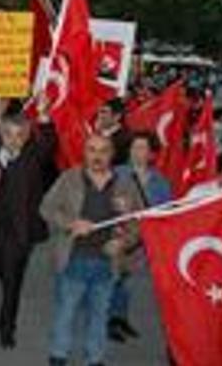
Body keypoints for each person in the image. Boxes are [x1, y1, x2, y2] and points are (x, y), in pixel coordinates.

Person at [41, 134, 143, 366]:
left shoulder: (126, 184)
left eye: (103, 150)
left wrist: (124, 242)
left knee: (100, 315)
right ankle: (58, 355)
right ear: (84, 152)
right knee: (66, 312)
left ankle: (94, 359)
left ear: (112, 154)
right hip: (73, 258)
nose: (97, 156)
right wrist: (71, 224)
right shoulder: (69, 178)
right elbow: (46, 208)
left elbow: (137, 222)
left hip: (108, 263)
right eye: (92, 150)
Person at [0, 104, 56, 349]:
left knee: (11, 285)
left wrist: (44, 116)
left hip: (18, 235)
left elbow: (49, 142)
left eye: (20, 135)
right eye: (8, 134)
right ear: (1, 134)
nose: (14, 140)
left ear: (27, 136)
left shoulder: (34, 156)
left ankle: (7, 329)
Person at [109, 132, 172, 343]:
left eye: (142, 148)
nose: (137, 152)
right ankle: (109, 321)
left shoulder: (160, 182)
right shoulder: (116, 173)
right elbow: (101, 201)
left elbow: (165, 212)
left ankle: (121, 318)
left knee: (126, 281)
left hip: (142, 240)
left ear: (152, 154)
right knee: (113, 278)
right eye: (134, 147)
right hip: (118, 235)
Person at [93, 99, 130, 166]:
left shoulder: (126, 138)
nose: (99, 115)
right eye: (98, 112)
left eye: (103, 112)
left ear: (117, 116)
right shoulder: (96, 134)